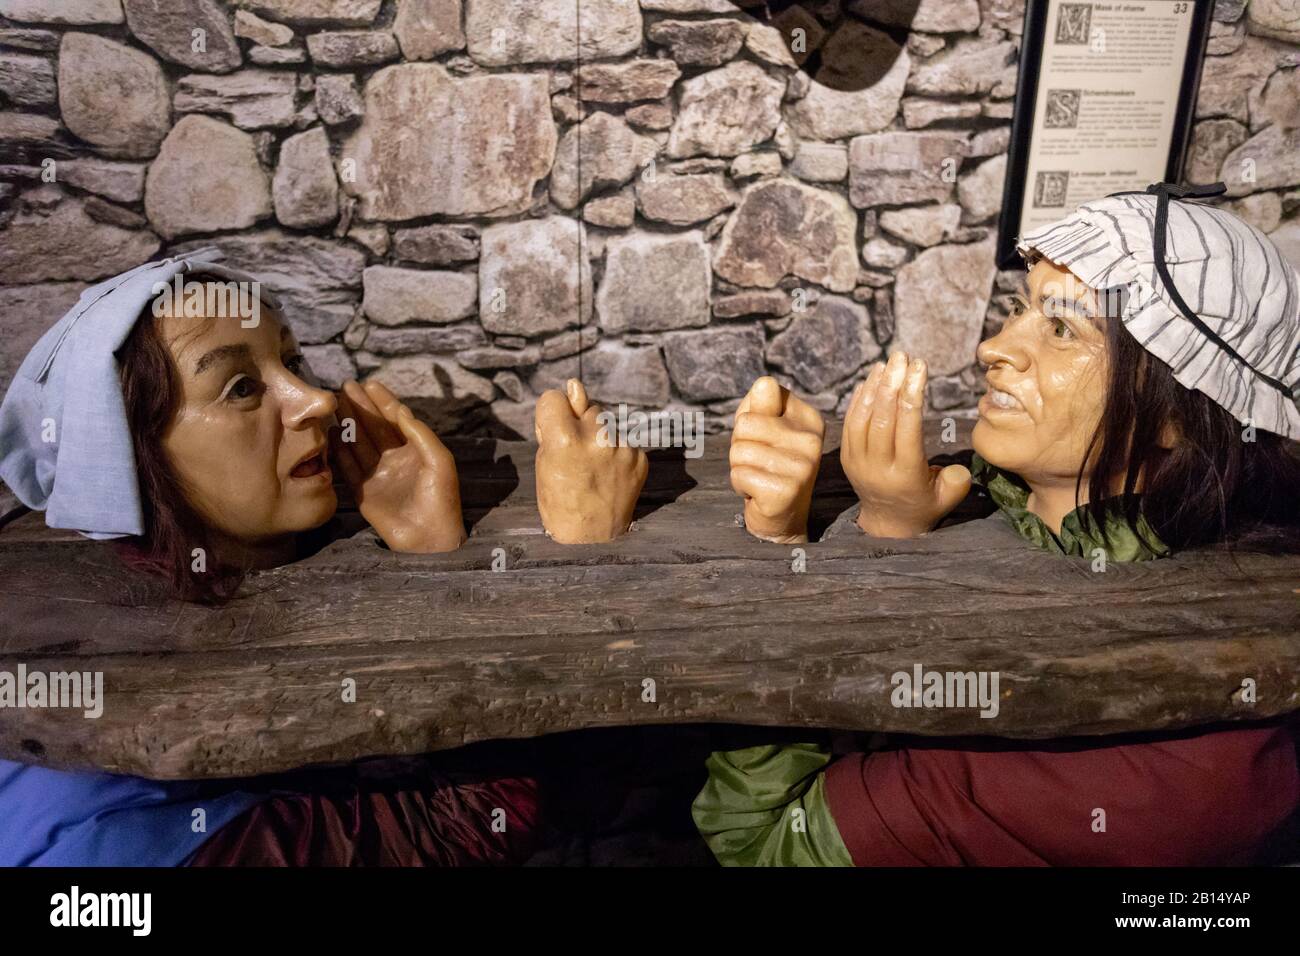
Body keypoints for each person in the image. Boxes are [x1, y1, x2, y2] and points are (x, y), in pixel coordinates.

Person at [697, 183, 1300, 865]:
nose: (992, 348)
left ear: (1177, 416)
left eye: (1064, 328)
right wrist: (899, 525)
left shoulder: (1143, 769)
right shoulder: (999, 494)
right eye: (1020, 310)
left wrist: (782, 553)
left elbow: (763, 840)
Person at [0, 249, 535, 865]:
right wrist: (440, 563)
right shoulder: (136, 843)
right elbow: (467, 825)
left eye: (292, 360)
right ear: (126, 454)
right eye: (241, 388)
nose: (317, 401)